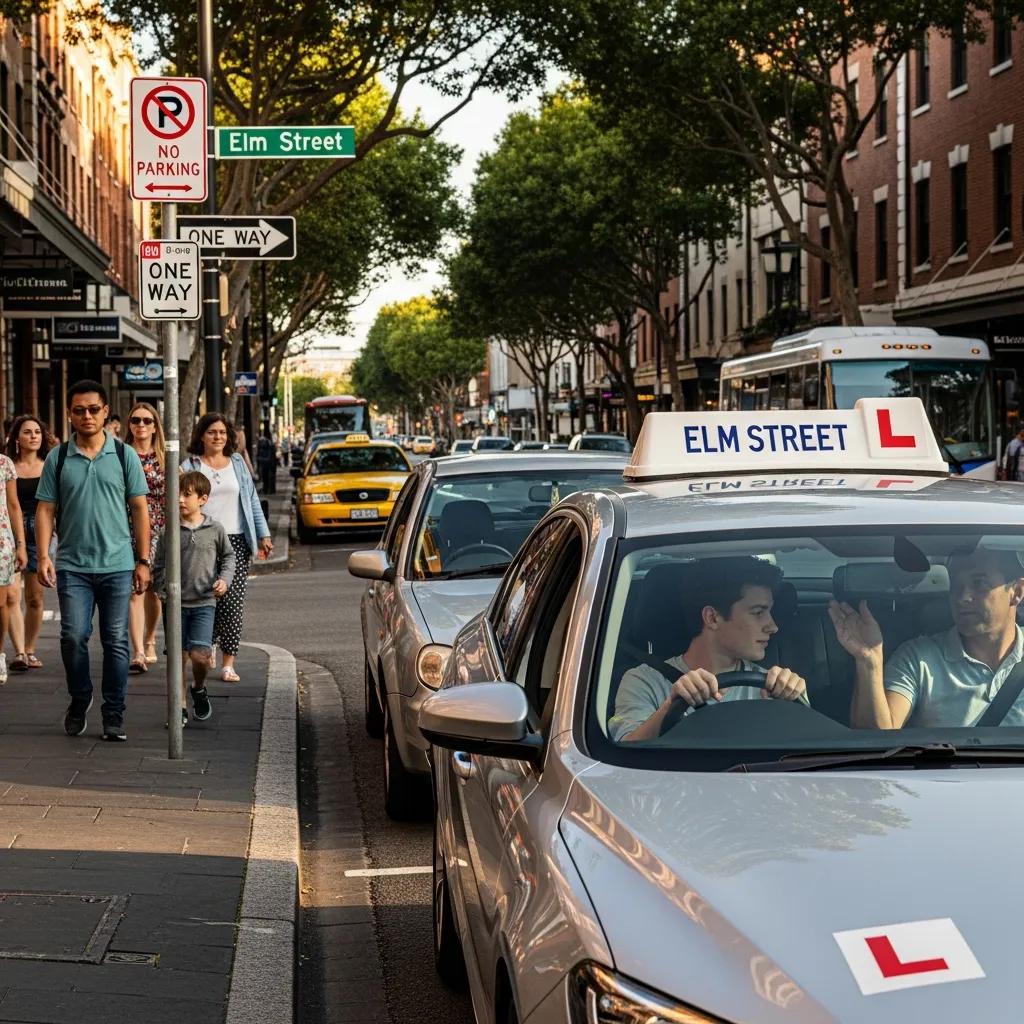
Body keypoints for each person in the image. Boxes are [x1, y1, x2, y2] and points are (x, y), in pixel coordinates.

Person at [35, 380, 150, 742]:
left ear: (105, 413)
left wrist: (143, 560)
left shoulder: (123, 454)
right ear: (70, 414)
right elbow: (45, 508)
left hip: (117, 564)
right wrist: (42, 555)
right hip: (72, 565)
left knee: (116, 640)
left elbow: (140, 509)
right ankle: (80, 696)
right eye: (79, 410)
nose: (86, 416)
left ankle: (113, 713)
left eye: (93, 409)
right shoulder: (57, 457)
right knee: (72, 636)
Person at [610, 557, 807, 742]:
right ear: (712, 618)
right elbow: (623, 751)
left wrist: (793, 702)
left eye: (769, 612)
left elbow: (804, 757)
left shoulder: (772, 686)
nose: (773, 626)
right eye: (758, 613)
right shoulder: (644, 681)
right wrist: (671, 707)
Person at [830, 548, 1024, 729]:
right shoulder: (919, 658)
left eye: (979, 584)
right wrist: (868, 661)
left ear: (1017, 592)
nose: (962, 597)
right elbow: (877, 738)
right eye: (956, 586)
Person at [182, 414, 272, 683]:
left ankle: (228, 663)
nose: (218, 437)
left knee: (232, 604)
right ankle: (205, 648)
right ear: (201, 436)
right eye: (212, 432)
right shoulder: (190, 465)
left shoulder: (237, 463)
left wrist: (263, 533)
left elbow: (252, 499)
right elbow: (180, 500)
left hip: (236, 541)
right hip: (202, 540)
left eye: (222, 432)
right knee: (206, 599)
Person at [152, 471, 236, 727]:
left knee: (200, 657)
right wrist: (161, 589)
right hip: (175, 605)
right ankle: (179, 709)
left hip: (203, 603)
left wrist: (224, 580)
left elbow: (229, 557)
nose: (179, 499)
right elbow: (159, 564)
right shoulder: (169, 530)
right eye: (177, 494)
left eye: (186, 495)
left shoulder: (215, 529)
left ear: (202, 498)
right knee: (177, 660)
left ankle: (198, 688)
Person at [5, 416, 54, 672]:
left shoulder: (48, 467)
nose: (34, 436)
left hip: (40, 535)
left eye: (37, 431)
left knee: (34, 598)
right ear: (17, 438)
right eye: (27, 432)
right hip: (10, 535)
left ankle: (31, 648)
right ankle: (20, 653)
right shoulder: (7, 466)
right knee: (12, 595)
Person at [125, 402, 166, 673]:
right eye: (136, 420)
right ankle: (138, 651)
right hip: (126, 528)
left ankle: (150, 638)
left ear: (155, 426)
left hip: (159, 530)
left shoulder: (165, 457)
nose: (141, 425)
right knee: (135, 590)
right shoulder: (120, 454)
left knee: (154, 592)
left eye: (147, 421)